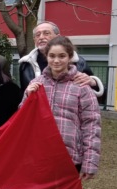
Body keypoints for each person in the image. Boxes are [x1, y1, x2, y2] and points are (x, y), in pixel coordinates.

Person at [22, 36, 101, 180]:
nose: (56, 60)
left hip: (69, 157)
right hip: (39, 155)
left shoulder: (82, 87)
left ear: (70, 57)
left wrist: (90, 163)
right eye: (52, 56)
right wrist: (28, 96)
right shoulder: (37, 83)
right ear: (46, 56)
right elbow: (22, 117)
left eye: (62, 56)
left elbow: (91, 126)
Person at [19, 21, 104, 96]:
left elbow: (94, 93)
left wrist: (93, 82)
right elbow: (24, 94)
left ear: (57, 36)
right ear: (34, 39)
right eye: (37, 35)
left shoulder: (78, 61)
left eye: (46, 33)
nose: (41, 37)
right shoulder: (25, 64)